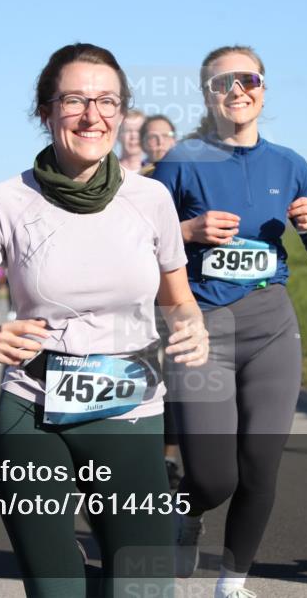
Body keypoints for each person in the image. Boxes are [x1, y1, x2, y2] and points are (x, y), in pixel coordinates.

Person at [0, 43, 209, 597]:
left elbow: (178, 299)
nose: (92, 115)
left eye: (107, 101)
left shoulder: (151, 199)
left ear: (121, 112)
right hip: (31, 411)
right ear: (46, 111)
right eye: (75, 100)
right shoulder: (5, 201)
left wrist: (192, 326)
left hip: (129, 410)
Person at [151, 46, 307, 598]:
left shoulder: (290, 164)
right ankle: (189, 511)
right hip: (201, 325)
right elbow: (138, 242)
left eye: (249, 78)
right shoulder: (182, 161)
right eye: (222, 82)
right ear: (208, 95)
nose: (237, 90)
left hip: (271, 325)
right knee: (215, 477)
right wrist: (188, 232)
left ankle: (232, 582)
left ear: (264, 87)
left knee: (261, 467)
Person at [139, 114, 182, 487]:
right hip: (140, 296)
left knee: (178, 376)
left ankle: (169, 454)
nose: (159, 142)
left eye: (165, 136)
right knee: (148, 373)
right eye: (151, 137)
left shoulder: (186, 177)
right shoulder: (134, 185)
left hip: (179, 293)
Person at [117, 108, 146, 172]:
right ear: (118, 135)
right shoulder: (107, 172)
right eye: (128, 131)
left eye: (139, 131)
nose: (133, 136)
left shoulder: (155, 173)